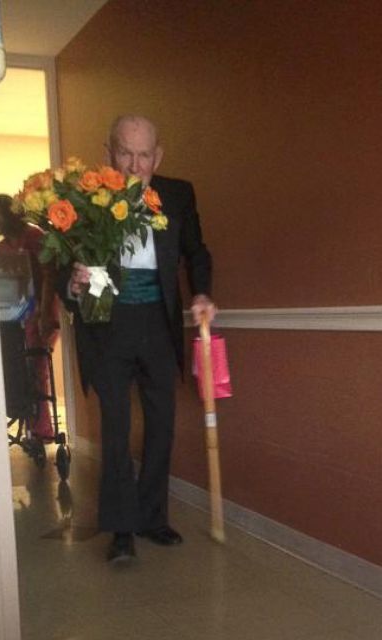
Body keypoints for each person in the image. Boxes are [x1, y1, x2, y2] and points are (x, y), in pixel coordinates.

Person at [61, 114, 217, 563]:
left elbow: (196, 252)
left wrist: (203, 293)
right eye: (125, 153)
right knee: (114, 429)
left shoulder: (178, 194)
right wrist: (71, 287)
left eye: (144, 154)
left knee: (161, 423)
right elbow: (65, 271)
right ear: (108, 152)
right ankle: (121, 529)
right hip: (107, 316)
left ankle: (152, 518)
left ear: (158, 155)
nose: (134, 164)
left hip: (158, 321)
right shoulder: (84, 198)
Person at [0, 194, 61, 442]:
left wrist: (42, 313)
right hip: (13, 314)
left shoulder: (35, 236)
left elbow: (49, 275)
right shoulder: (2, 245)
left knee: (38, 366)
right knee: (18, 365)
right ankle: (26, 418)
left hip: (40, 309)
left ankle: (42, 429)